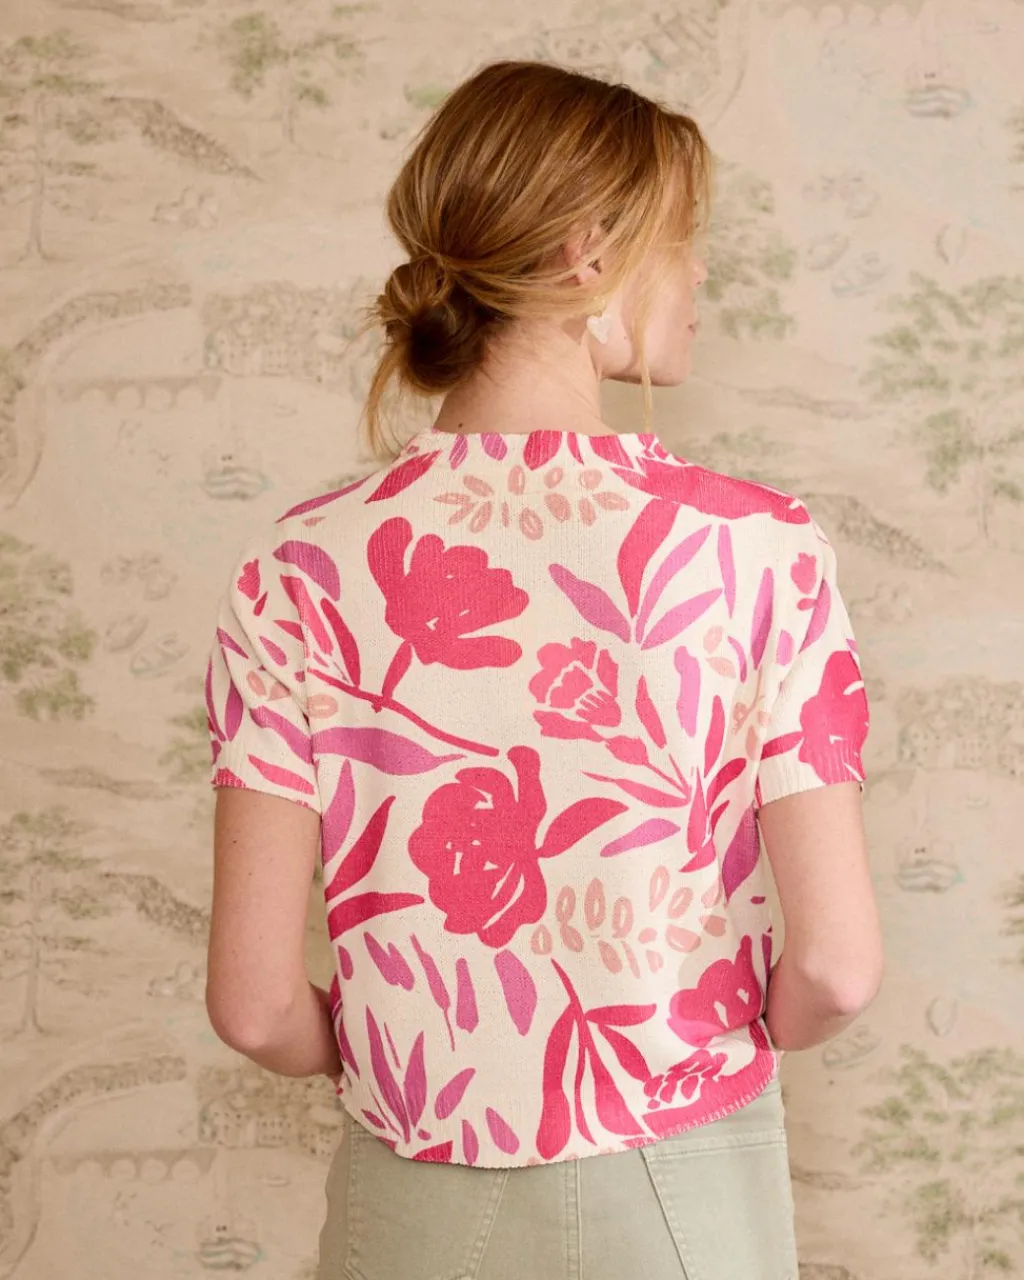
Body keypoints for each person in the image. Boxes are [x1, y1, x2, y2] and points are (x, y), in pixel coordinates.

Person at [203, 60, 883, 1280]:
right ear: (587, 256)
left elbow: (254, 1006)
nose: (699, 274)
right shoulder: (757, 547)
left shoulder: (296, 568)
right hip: (686, 1186)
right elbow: (835, 966)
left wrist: (410, 1062)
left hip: (410, 1185)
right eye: (682, 239)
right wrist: (716, 1047)